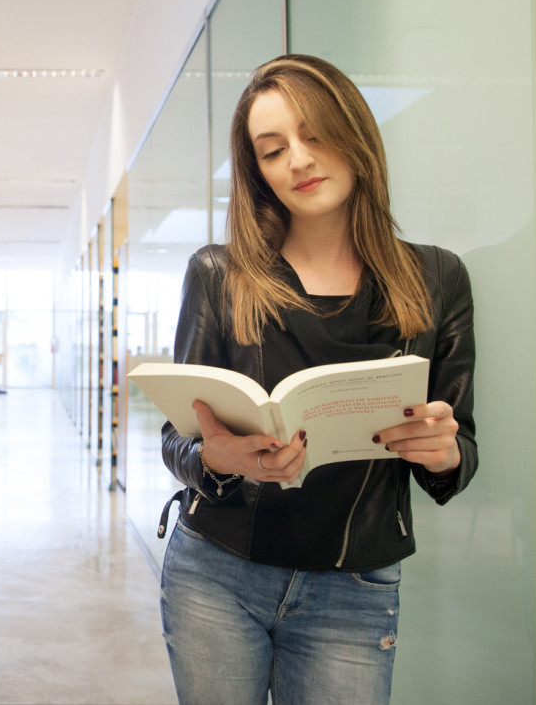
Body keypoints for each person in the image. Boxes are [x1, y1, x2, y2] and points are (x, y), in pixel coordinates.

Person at [158, 54, 477, 704]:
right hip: (217, 573)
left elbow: (459, 450)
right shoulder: (220, 276)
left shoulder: (437, 279)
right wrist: (212, 456)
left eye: (314, 134)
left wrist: (444, 452)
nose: (298, 160)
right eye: (272, 151)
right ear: (259, 174)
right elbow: (177, 439)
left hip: (354, 588)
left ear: (354, 131)